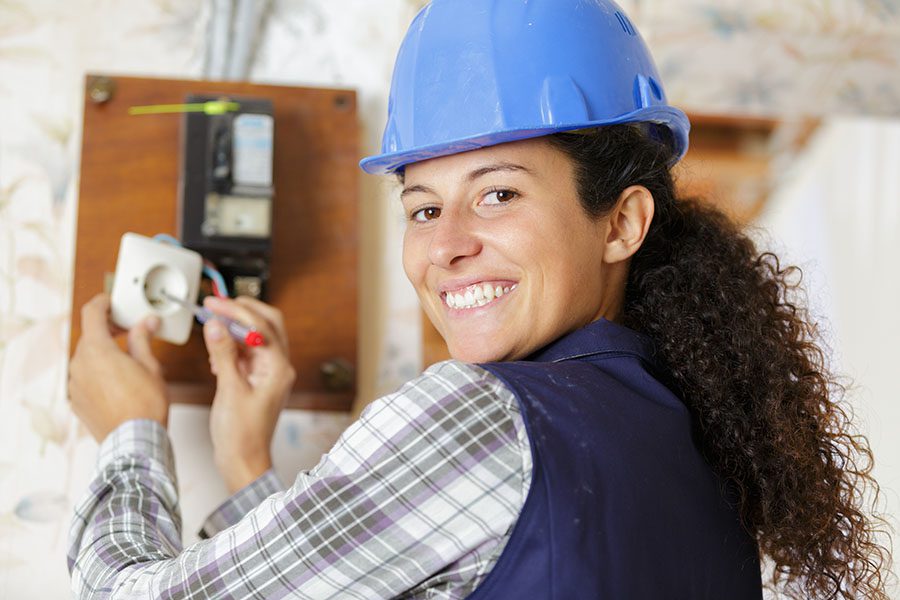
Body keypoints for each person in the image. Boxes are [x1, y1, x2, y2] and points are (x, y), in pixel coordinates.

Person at [67, 0, 892, 598]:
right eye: (423, 206)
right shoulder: (706, 462)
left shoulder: (479, 416)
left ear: (622, 222)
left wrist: (129, 431)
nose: (446, 245)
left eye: (498, 194)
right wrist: (249, 468)